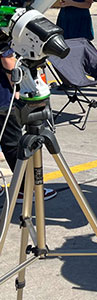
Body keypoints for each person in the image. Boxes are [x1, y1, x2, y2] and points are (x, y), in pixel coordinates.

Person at [0, 49, 57, 203]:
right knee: (13, 144)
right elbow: (7, 57)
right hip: (3, 99)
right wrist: (18, 87)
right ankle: (25, 189)